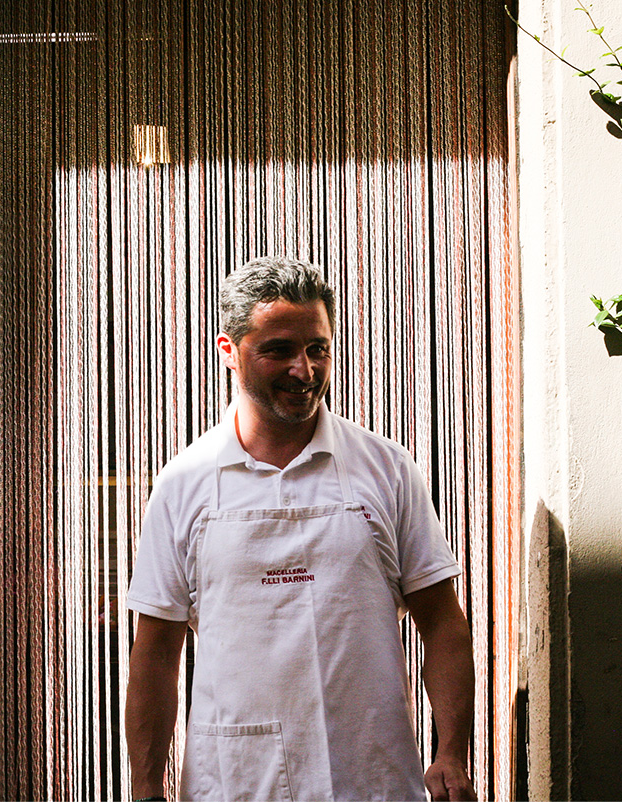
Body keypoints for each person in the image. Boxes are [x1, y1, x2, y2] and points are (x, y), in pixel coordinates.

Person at [124, 256, 477, 802]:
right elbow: (155, 652)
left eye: (317, 348)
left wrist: (451, 752)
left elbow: (442, 621)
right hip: (234, 783)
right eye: (279, 350)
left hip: (370, 778)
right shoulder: (183, 484)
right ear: (229, 351)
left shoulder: (386, 469)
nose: (304, 370)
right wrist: (147, 788)